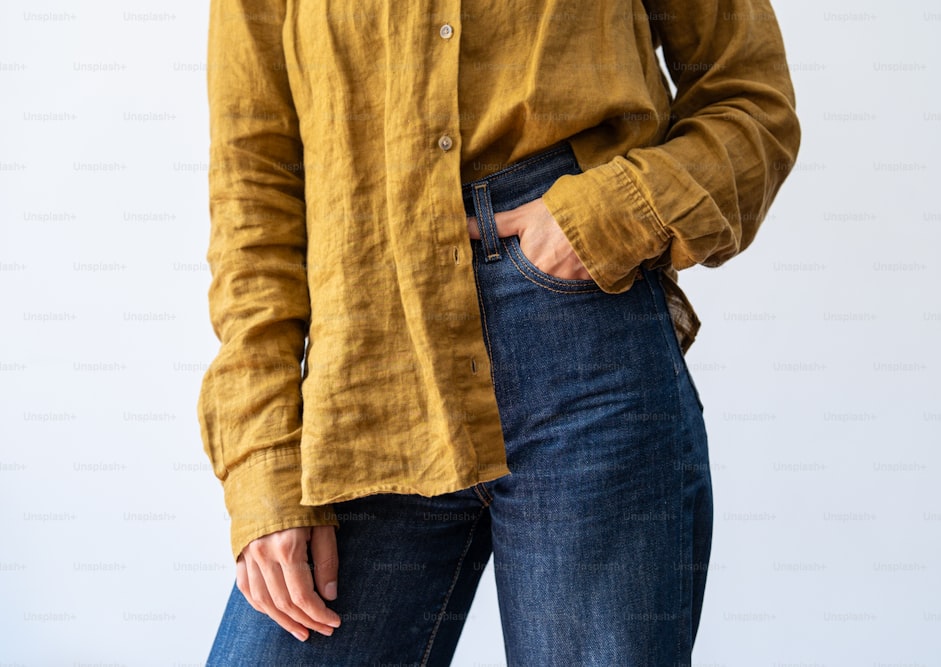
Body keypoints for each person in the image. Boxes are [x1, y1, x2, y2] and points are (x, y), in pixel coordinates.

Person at [197, 0, 800, 664]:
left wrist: (600, 216)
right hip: (367, 382)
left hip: (586, 356)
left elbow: (752, 106)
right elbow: (253, 190)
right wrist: (264, 465)